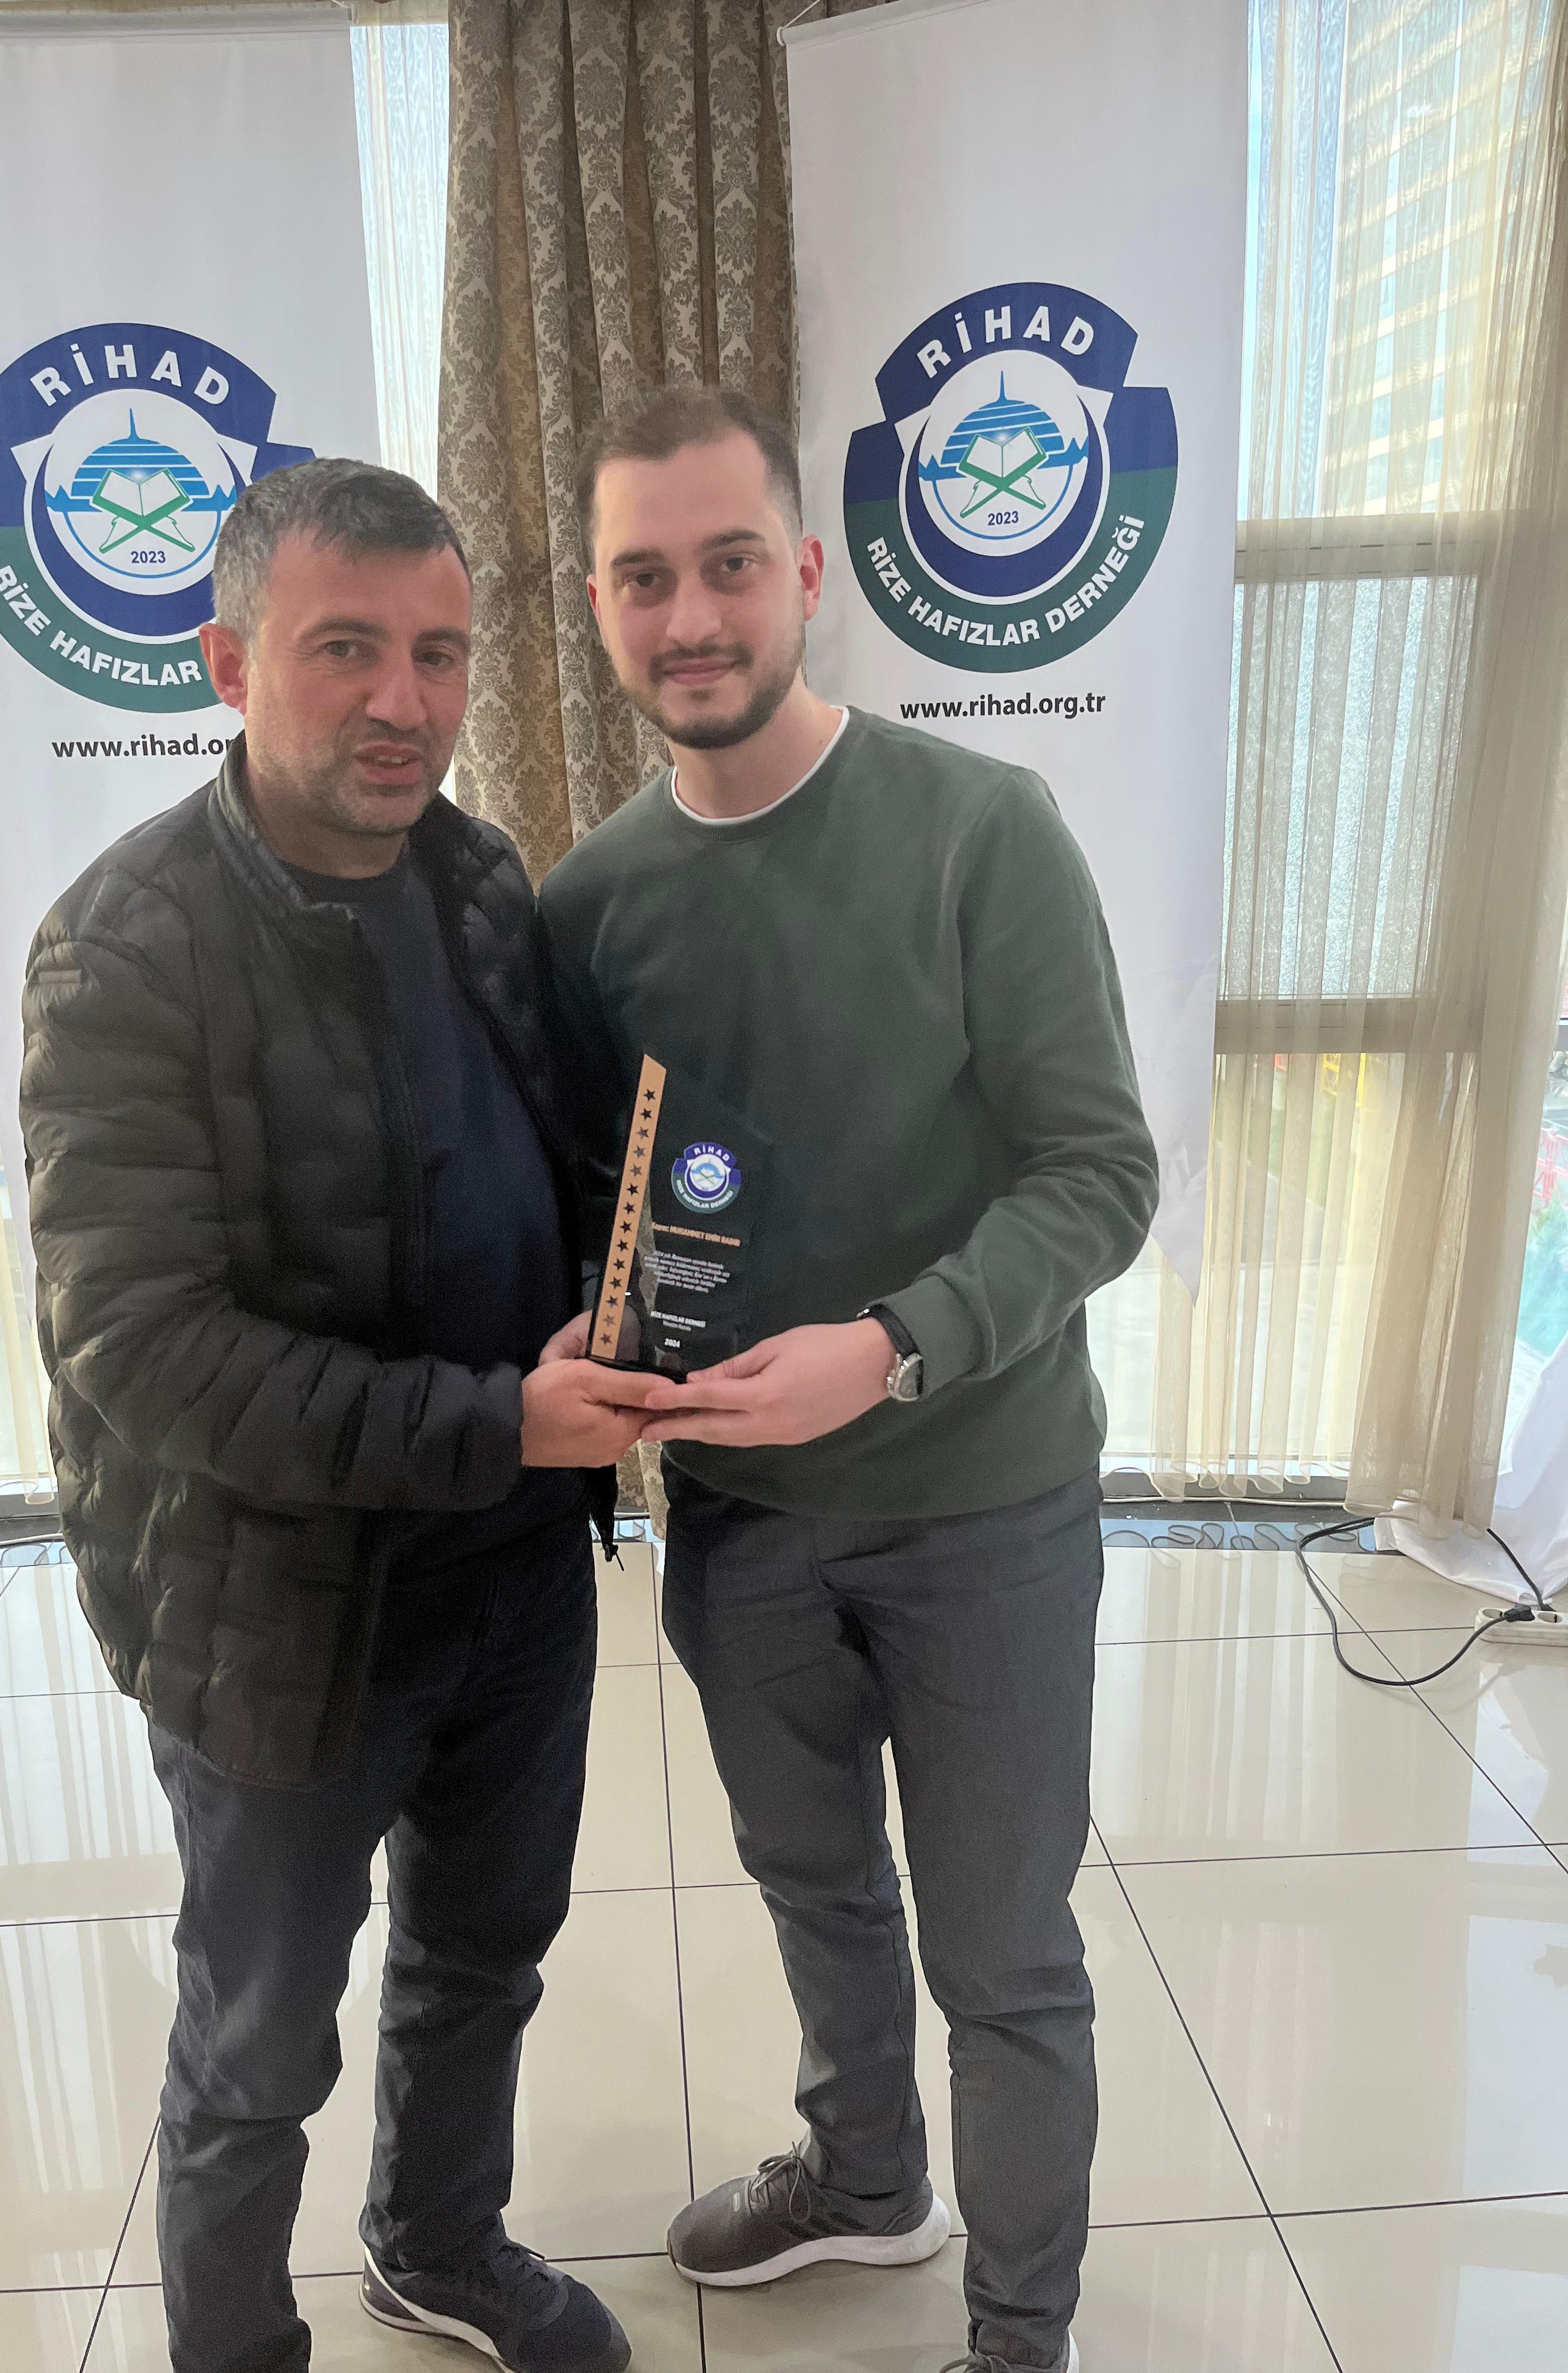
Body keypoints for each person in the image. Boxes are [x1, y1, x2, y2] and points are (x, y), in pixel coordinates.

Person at [539, 387, 1160, 2373]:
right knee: (814, 1889)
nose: (692, 616)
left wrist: (892, 1351)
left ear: (806, 573)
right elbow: (607, 1215)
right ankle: (868, 2177)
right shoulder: (587, 908)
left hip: (985, 1508)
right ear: (599, 607)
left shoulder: (983, 830)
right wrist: (582, 1349)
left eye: (731, 564)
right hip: (741, 1531)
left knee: (1005, 1957)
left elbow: (1101, 1177)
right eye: (645, 577)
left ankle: (1021, 2334)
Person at [21, 458, 652, 2373]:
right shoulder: (123, 950)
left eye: (439, 654)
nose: (404, 700)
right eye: (346, 650)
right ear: (229, 663)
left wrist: (626, 1313)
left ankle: (438, 2243)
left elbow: (540, 1162)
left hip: (514, 1576)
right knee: (258, 2044)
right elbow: (147, 1347)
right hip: (278, 1616)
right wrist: (503, 1423)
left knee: (484, 1951)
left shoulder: (478, 879)